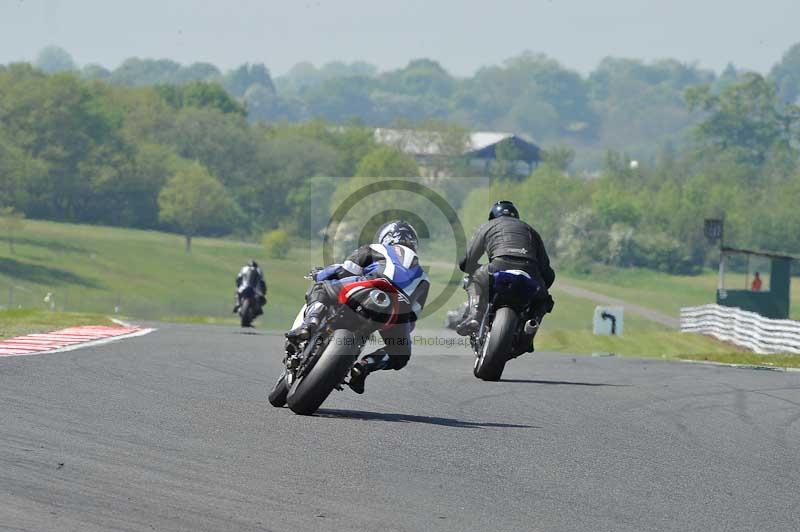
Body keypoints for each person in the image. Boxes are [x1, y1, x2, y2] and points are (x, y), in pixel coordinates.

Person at [286, 220, 429, 394]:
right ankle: (364, 367)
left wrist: (319, 274)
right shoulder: (423, 276)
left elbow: (346, 270)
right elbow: (413, 317)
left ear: (387, 237)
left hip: (368, 285)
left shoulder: (376, 248)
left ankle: (310, 324)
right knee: (400, 354)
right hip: (396, 310)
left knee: (322, 286)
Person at [456, 200, 555, 342]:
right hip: (529, 271)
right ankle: (531, 325)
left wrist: (474, 269)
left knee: (474, 279)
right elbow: (546, 271)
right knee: (543, 299)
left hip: (498, 266)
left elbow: (466, 262)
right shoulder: (530, 230)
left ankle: (475, 315)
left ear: (492, 216)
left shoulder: (488, 226)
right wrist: (542, 285)